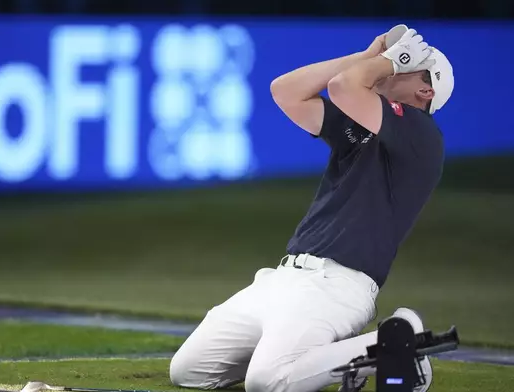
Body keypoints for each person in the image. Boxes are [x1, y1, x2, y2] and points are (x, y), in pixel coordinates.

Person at [168, 25, 454, 392]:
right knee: (189, 371)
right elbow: (285, 91)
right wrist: (367, 57)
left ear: (424, 91)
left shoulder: (422, 133)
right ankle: (318, 354)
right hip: (283, 278)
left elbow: (342, 87)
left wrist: (386, 61)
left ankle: (401, 343)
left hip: (338, 286)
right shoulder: (361, 125)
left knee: (266, 381)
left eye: (409, 66)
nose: (394, 68)